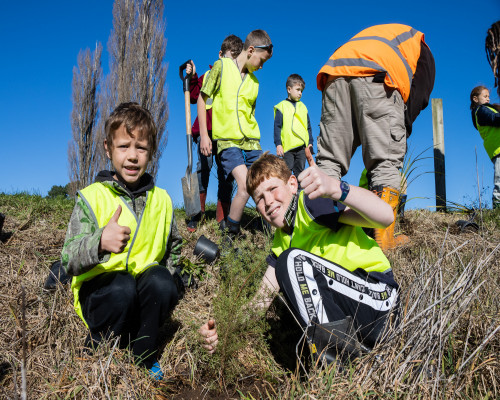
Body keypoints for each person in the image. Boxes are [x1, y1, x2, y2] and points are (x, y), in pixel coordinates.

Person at [200, 152, 400, 364]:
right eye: (259, 198)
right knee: (289, 262)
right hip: (357, 309)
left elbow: (385, 216)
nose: (268, 201)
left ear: (293, 185)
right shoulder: (281, 241)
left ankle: (338, 365)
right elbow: (259, 303)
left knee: (292, 261)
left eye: (272, 188)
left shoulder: (311, 205)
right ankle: (352, 359)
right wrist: (221, 330)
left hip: (380, 300)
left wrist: (336, 188)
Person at [61, 103, 182, 380]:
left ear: (151, 150)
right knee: (122, 287)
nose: (132, 156)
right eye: (123, 146)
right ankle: (98, 348)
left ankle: (143, 352)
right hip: (102, 295)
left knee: (162, 281)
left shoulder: (162, 200)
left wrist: (172, 280)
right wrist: (100, 242)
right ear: (108, 148)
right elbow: (68, 258)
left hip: (141, 297)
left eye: (140, 148)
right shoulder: (92, 197)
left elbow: (173, 248)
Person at [315, 23, 435, 251]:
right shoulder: (423, 51)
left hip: (334, 73)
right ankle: (384, 241)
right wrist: (400, 130)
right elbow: (419, 96)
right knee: (385, 162)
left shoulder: (385, 36)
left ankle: (320, 233)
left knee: (329, 161)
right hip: (379, 75)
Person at [197, 29, 273, 241]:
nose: (261, 66)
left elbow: (251, 114)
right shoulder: (221, 67)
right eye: (261, 60)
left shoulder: (254, 82)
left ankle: (271, 234)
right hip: (228, 141)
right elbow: (202, 100)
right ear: (250, 50)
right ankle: (231, 232)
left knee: (264, 182)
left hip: (252, 143)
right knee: (245, 185)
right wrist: (205, 135)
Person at [185, 35, 243, 232]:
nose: (231, 63)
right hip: (206, 131)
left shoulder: (237, 80)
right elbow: (194, 97)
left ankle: (222, 216)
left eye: (236, 60)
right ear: (220, 55)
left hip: (226, 133)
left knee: (226, 172)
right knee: (204, 166)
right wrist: (192, 76)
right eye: (228, 57)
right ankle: (197, 212)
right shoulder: (209, 75)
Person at [274, 74, 314, 181]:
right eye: (298, 90)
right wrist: (278, 145)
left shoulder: (303, 107)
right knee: (286, 173)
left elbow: (308, 126)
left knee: (300, 173)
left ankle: (298, 196)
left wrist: (310, 142)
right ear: (289, 89)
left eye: (302, 91)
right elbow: (277, 127)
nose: (300, 93)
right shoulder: (281, 106)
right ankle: (288, 195)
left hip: (301, 147)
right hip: (288, 147)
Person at [470, 86, 500, 209]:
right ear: (475, 99)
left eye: (488, 96)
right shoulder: (481, 111)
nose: (488, 99)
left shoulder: (488, 109)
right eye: (485, 96)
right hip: (498, 149)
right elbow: (495, 119)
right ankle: (498, 205)